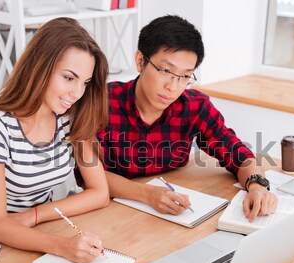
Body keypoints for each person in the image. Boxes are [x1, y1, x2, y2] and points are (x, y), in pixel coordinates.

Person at [76, 15, 277, 222]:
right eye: (165, 71)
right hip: (109, 215)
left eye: (184, 76)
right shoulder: (100, 103)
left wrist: (257, 185)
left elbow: (235, 151)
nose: (173, 87)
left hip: (171, 214)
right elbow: (88, 176)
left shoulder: (194, 106)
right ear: (140, 61)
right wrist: (147, 194)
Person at [0, 18, 109, 263]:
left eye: (85, 83)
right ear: (40, 67)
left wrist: (35, 216)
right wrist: (62, 246)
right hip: (7, 242)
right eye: (69, 78)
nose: (77, 93)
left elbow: (100, 192)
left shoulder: (71, 120)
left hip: (46, 230)